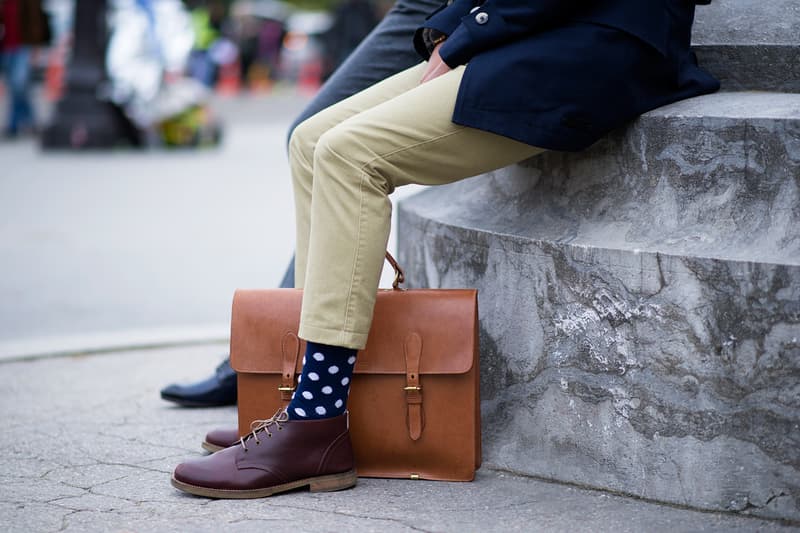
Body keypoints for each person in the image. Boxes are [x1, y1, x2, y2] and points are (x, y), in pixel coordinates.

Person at [171, 0, 719, 499]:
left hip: (598, 36)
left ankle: (315, 421)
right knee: (311, 141)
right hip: (534, 26)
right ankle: (296, 394)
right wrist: (459, 30)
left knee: (348, 156)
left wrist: (469, 35)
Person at [159, 0, 443, 408]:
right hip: (424, 8)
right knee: (309, 138)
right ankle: (282, 365)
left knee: (340, 153)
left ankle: (309, 393)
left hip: (470, 19)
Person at [0, 0, 50, 137]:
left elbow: (35, 20)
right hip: (6, 47)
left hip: (24, 46)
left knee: (18, 83)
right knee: (14, 87)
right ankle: (29, 121)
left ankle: (15, 124)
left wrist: (36, 47)